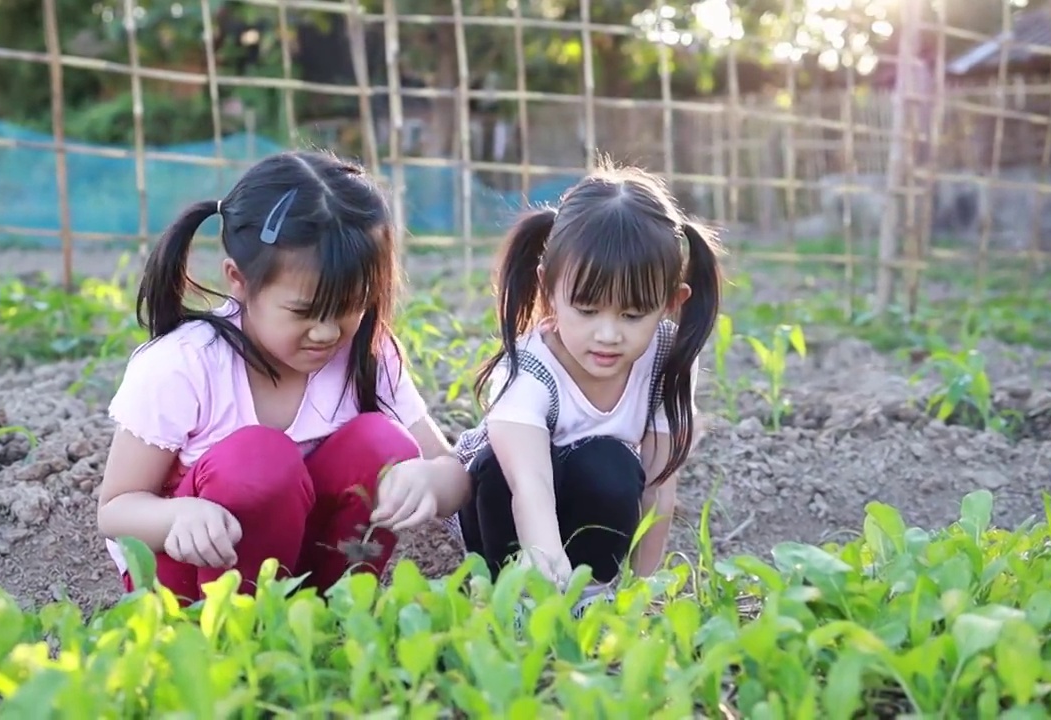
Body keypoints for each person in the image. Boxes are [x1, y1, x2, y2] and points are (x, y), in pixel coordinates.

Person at [97, 150, 471, 604]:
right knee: (260, 460)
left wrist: (428, 481)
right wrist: (177, 516)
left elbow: (452, 472)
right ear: (238, 279)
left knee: (384, 445)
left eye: (350, 307)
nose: (327, 331)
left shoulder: (367, 355)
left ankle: (331, 612)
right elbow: (116, 509)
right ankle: (233, 636)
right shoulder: (185, 364)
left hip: (308, 573)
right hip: (189, 581)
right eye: (304, 312)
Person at [447, 161, 722, 617]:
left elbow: (658, 486)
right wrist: (545, 563)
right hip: (506, 504)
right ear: (549, 290)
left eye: (633, 315)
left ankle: (593, 594)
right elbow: (528, 483)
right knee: (496, 471)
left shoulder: (667, 360)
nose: (608, 335)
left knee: (611, 465)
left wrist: (643, 589)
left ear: (673, 303)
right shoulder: (529, 368)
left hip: (585, 498)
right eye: (587, 310)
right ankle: (514, 593)